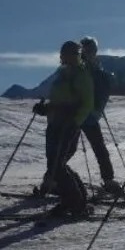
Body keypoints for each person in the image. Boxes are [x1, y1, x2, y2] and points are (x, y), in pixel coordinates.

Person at [38, 40, 94, 217]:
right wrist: (46, 108)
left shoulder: (81, 75)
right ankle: (76, 198)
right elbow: (59, 101)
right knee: (55, 164)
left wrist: (75, 121)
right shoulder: (62, 74)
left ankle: (74, 201)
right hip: (55, 123)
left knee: (57, 164)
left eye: (72, 54)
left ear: (77, 55)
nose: (67, 58)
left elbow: (87, 103)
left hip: (68, 125)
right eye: (65, 54)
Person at [78, 36, 122, 195]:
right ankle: (54, 177)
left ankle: (109, 179)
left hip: (84, 115)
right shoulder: (83, 69)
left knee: (97, 148)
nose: (88, 53)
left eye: (90, 50)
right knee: (97, 148)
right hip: (82, 115)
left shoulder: (92, 69)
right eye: (86, 50)